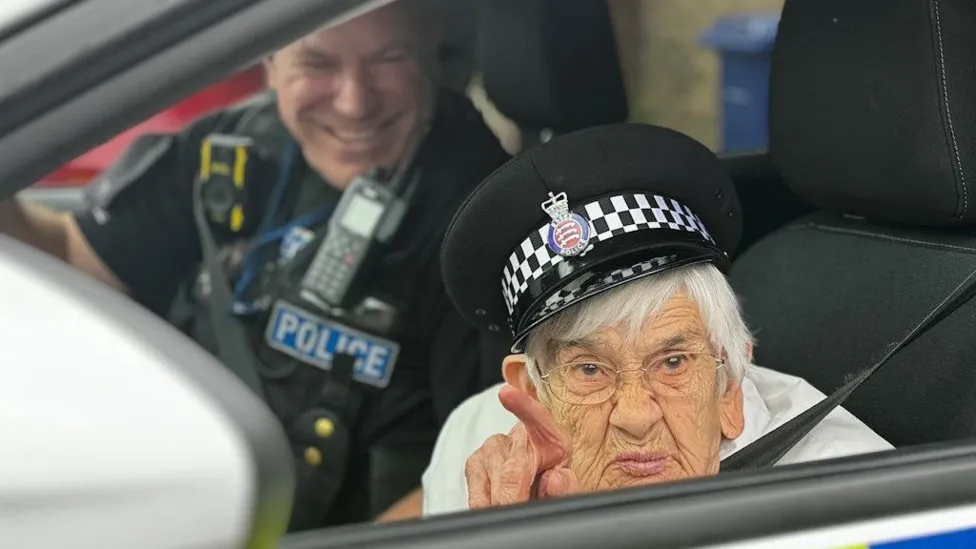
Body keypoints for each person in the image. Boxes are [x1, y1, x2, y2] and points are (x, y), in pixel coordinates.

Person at [0, 0, 510, 530]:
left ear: (432, 52)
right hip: (167, 507)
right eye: (317, 65)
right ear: (267, 59)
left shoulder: (483, 221)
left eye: (388, 59)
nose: (355, 102)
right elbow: (71, 258)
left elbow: (488, 465)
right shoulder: (227, 152)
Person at [423, 123, 893, 515]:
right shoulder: (472, 443)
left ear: (729, 382)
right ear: (532, 392)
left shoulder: (842, 503)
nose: (635, 416)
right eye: (590, 369)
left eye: (672, 362)